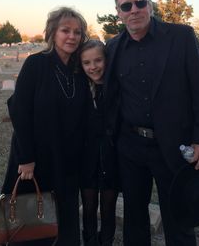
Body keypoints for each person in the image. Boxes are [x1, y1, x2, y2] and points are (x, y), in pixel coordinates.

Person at [103, 0, 199, 246]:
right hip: (130, 147)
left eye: (140, 2)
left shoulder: (182, 37)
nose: (134, 10)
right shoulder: (113, 47)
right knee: (134, 218)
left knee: (179, 217)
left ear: (150, 5)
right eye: (126, 5)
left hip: (174, 145)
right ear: (118, 12)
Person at [1, 7, 89, 246]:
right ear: (53, 32)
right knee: (34, 219)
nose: (72, 36)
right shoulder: (36, 64)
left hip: (68, 158)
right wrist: (26, 157)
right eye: (65, 30)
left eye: (77, 32)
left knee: (66, 217)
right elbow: (19, 111)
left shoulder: (79, 69)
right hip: (36, 158)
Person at [79, 40, 119, 246]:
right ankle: (90, 241)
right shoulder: (80, 89)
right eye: (86, 63)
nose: (93, 67)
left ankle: (106, 242)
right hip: (87, 158)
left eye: (97, 60)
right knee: (88, 204)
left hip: (112, 158)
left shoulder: (117, 88)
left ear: (106, 60)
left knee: (108, 206)